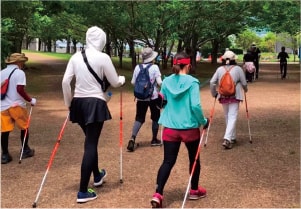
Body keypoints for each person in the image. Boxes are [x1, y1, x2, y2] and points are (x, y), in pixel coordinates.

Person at [62, 26, 126, 203]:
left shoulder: (75, 56)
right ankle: (83, 191)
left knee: (90, 140)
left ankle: (97, 175)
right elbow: (114, 81)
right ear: (102, 40)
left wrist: (69, 103)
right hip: (95, 102)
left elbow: (65, 82)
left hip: (79, 103)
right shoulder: (103, 57)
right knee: (91, 143)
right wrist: (122, 80)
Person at [150, 52, 209, 208]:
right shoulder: (193, 82)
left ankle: (158, 193)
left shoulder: (167, 81)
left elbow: (162, 101)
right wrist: (203, 121)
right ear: (188, 65)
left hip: (170, 127)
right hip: (189, 128)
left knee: (168, 161)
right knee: (194, 159)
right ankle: (194, 190)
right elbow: (195, 106)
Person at [1, 53, 36, 164]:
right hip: (17, 105)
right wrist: (30, 100)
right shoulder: (20, 73)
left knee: (5, 130)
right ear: (18, 62)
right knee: (24, 127)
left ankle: (5, 155)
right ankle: (25, 149)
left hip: (3, 106)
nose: (23, 63)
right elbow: (20, 89)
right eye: (22, 61)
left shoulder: (1, 72)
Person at [210, 50, 248, 149]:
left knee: (227, 116)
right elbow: (244, 83)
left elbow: (212, 82)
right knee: (232, 116)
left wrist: (214, 93)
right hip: (235, 96)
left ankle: (232, 137)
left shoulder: (219, 69)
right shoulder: (238, 69)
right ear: (234, 59)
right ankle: (227, 138)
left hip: (223, 95)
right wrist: (245, 90)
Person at [127, 47, 163, 152]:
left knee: (139, 118)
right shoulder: (155, 67)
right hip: (153, 97)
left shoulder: (137, 67)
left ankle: (132, 138)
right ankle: (154, 139)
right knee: (155, 117)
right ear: (152, 58)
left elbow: (133, 82)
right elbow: (160, 82)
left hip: (141, 97)